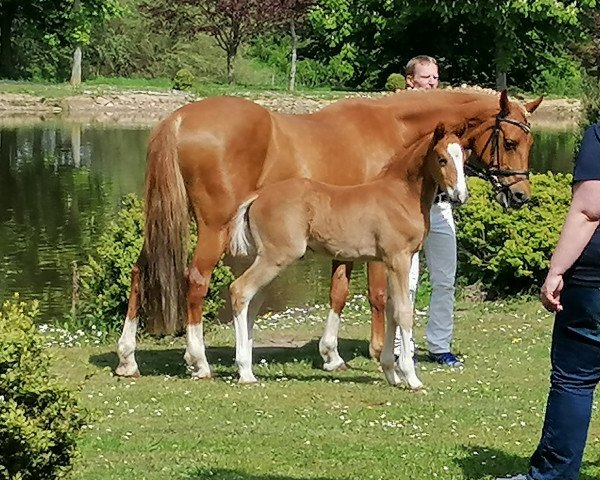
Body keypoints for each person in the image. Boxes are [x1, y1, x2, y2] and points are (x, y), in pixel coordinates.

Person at [498, 124, 600, 480]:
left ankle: (552, 476)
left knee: (575, 379)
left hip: (594, 282)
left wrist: (556, 270)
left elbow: (590, 208)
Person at [394, 55, 463, 368]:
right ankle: (399, 346)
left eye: (436, 77)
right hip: (406, 211)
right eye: (426, 77)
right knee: (406, 280)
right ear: (410, 79)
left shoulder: (445, 120)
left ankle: (439, 345)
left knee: (445, 279)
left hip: (440, 208)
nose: (433, 83)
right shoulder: (399, 117)